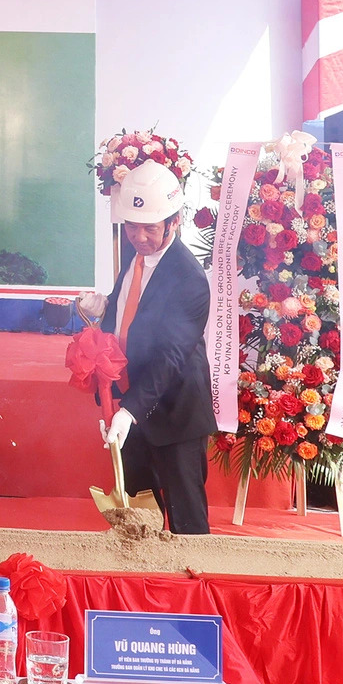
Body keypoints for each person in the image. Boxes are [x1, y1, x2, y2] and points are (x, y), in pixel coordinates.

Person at [82, 161, 215, 534]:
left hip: (174, 414)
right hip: (131, 406)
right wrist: (104, 307)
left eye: (149, 228)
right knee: (137, 522)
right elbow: (135, 310)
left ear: (174, 222)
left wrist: (129, 413)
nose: (139, 236)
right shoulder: (136, 256)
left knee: (186, 524)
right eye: (132, 227)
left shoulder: (188, 278)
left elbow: (170, 357)